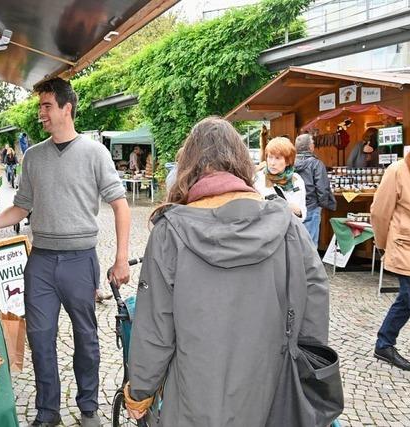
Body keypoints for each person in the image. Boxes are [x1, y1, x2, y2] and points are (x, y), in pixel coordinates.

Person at [124, 117, 329, 425]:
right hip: (271, 392)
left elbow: (155, 326)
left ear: (188, 165)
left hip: (194, 399)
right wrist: (309, 374)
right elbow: (314, 300)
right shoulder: (286, 225)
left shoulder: (170, 231)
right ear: (242, 163)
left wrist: (140, 392)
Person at [0, 77, 131, 427]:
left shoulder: (95, 153)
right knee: (40, 338)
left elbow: (120, 204)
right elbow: (22, 207)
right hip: (40, 260)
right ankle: (48, 412)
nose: (41, 113)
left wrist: (120, 258)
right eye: (40, 106)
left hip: (80, 260)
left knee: (87, 339)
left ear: (66, 108)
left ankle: (89, 408)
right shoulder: (33, 156)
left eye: (46, 106)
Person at [371, 127, 410, 372]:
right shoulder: (397, 171)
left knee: (407, 300)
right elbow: (380, 213)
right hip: (407, 250)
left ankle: (384, 343)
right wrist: (384, 246)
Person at [294, 133, 337, 247]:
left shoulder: (289, 164)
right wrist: (323, 204)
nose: (314, 144)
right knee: (311, 244)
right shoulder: (316, 163)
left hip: (294, 207)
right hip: (312, 206)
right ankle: (310, 265)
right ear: (310, 147)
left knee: (296, 243)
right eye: (313, 142)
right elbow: (322, 187)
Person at [254, 137, 307, 221]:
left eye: (278, 158)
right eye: (270, 157)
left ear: (288, 161)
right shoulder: (258, 179)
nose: (272, 163)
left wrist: (297, 211)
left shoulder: (296, 179)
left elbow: (302, 214)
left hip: (288, 229)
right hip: (266, 230)